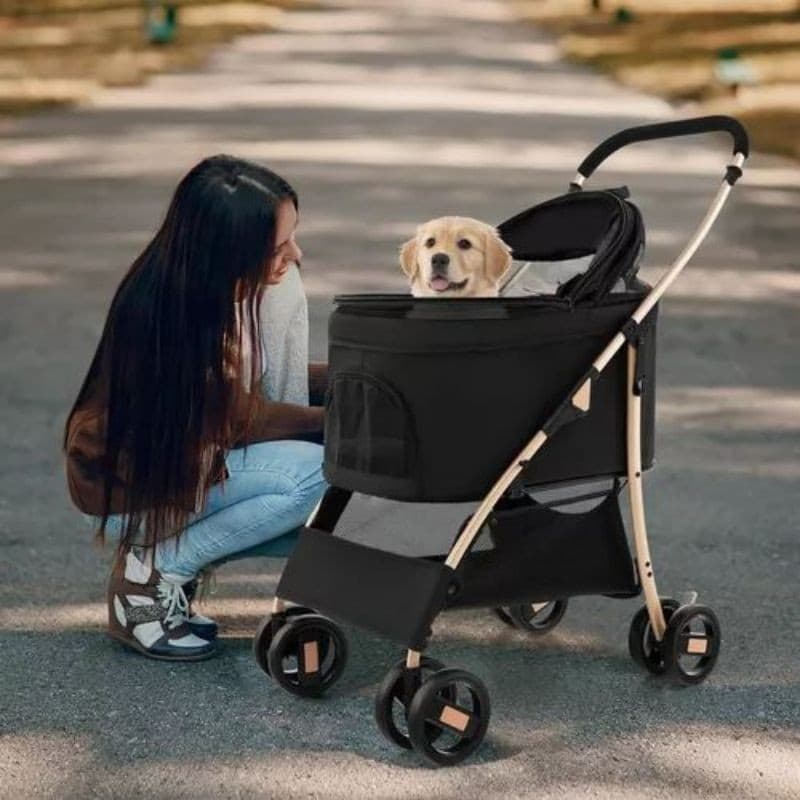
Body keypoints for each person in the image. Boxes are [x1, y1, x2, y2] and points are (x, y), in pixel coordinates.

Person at [63, 155, 328, 661]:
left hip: (198, 463)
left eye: (293, 236)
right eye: (278, 247)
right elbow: (236, 417)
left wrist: (360, 378)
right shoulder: (167, 314)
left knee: (331, 498)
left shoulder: (255, 288)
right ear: (229, 251)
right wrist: (341, 419)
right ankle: (151, 574)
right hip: (132, 488)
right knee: (317, 475)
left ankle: (163, 570)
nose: (295, 254)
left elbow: (277, 385)